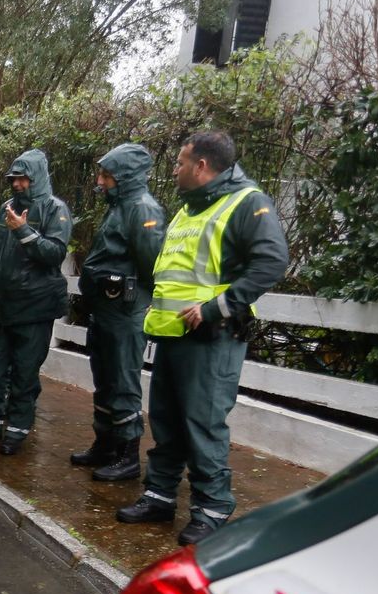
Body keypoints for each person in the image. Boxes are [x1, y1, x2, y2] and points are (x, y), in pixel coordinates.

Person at [115, 129, 289, 545]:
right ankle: (159, 495)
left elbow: (272, 262)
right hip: (174, 335)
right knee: (167, 421)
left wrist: (216, 308)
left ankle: (212, 508)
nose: (174, 170)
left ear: (202, 166)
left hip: (212, 337)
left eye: (179, 162)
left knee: (202, 423)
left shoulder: (247, 203)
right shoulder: (189, 209)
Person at [0, 150, 73, 455]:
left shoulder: (54, 209)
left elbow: (54, 254)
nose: (17, 185)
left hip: (35, 307)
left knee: (24, 373)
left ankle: (18, 429)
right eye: (13, 179)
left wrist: (23, 231)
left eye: (22, 179)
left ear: (36, 178)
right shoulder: (5, 208)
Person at [71, 143, 167, 482]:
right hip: (105, 309)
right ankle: (105, 444)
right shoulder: (119, 206)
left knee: (124, 383)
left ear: (124, 178)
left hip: (125, 312)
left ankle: (127, 455)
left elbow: (151, 263)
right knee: (104, 381)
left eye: (107, 176)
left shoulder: (141, 209)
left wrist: (128, 292)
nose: (100, 181)